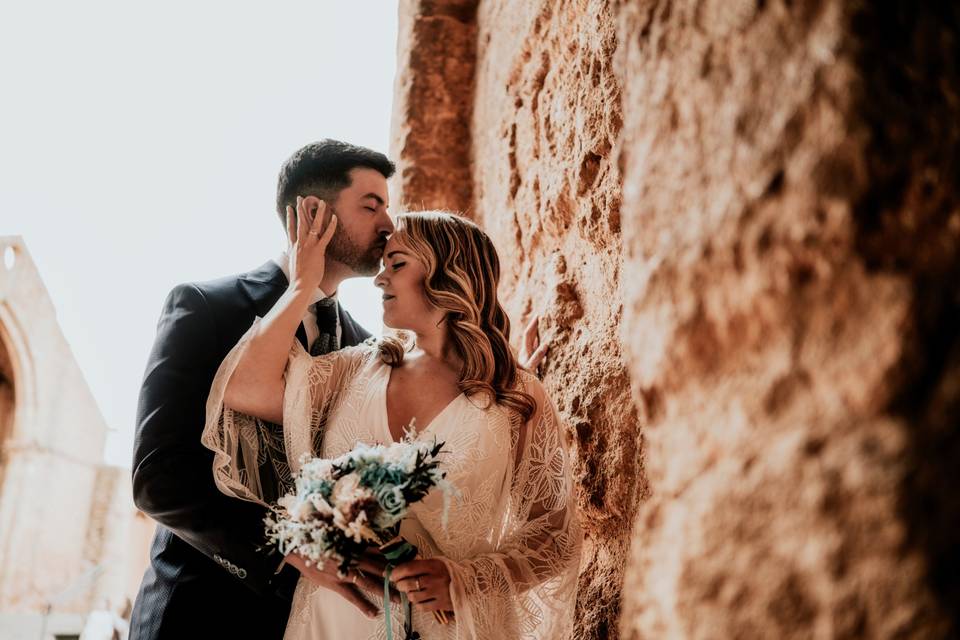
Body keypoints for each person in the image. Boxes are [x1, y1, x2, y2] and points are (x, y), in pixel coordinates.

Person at [203, 206, 581, 639]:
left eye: (397, 265)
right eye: (383, 266)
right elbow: (244, 389)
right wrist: (302, 286)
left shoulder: (515, 396)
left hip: (451, 627)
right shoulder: (356, 369)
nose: (380, 279)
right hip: (336, 619)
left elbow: (556, 536)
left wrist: (465, 579)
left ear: (448, 273)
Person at [130, 139, 397, 638]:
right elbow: (157, 478)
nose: (389, 225)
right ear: (314, 212)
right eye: (372, 205)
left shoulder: (364, 345)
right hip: (195, 614)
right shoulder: (207, 307)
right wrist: (284, 553)